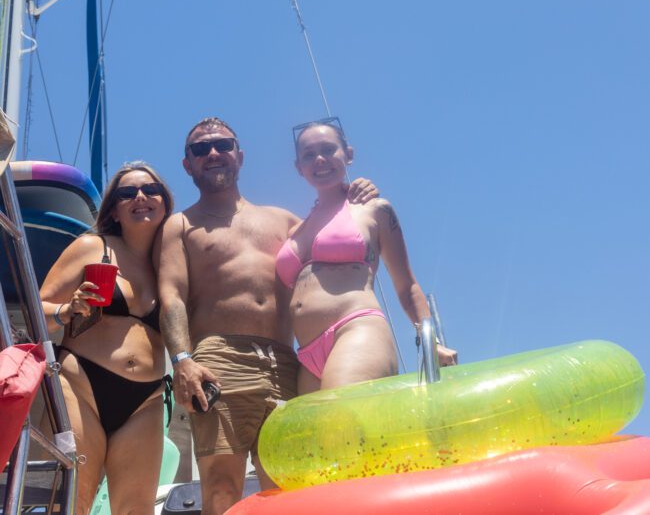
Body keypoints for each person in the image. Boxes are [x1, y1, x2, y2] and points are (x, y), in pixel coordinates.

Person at [156, 117, 377, 515]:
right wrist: (182, 361)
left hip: (286, 361)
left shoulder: (286, 221)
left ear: (239, 157)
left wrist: (353, 192)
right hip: (220, 361)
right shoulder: (181, 225)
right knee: (222, 487)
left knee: (289, 484)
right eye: (200, 149)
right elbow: (171, 296)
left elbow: (337, 230)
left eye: (222, 145)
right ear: (187, 164)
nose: (212, 153)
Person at [276, 118, 457, 395]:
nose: (320, 159)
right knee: (315, 437)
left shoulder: (373, 209)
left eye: (328, 150)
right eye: (309, 155)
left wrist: (431, 340)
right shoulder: (294, 230)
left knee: (339, 420)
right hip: (307, 353)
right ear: (298, 168)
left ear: (348, 155)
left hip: (356, 328)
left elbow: (407, 286)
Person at [40, 162, 173, 515]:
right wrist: (65, 310)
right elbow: (38, 303)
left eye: (150, 190)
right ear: (114, 209)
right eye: (127, 193)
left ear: (165, 201)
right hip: (80, 383)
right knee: (71, 501)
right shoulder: (91, 245)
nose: (140, 197)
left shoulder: (172, 261)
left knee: (136, 509)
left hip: (147, 399)